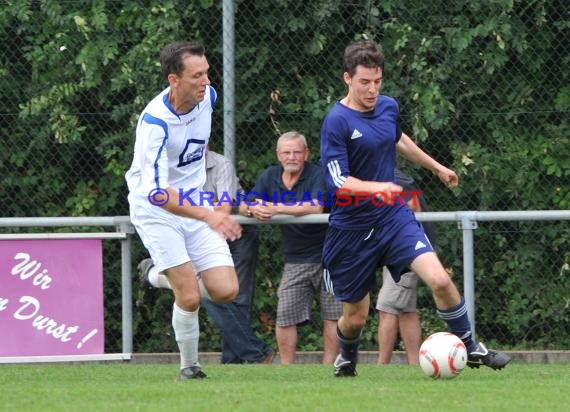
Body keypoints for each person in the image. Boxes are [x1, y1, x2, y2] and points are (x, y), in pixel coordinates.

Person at [319, 40, 511, 377]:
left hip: (393, 217)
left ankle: (470, 345)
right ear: (346, 78)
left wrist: (436, 166)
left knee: (438, 279)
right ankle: (347, 355)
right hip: (350, 228)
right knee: (355, 317)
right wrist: (376, 187)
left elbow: (397, 139)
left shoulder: (387, 107)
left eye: (377, 81)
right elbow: (337, 179)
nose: (372, 89)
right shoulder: (336, 121)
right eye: (364, 82)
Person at [125, 41, 242, 381]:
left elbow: (196, 142)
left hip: (194, 203)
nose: (205, 81)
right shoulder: (155, 124)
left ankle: (154, 274)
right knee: (189, 296)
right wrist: (210, 214)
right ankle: (189, 367)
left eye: (206, 73)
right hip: (156, 208)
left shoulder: (210, 98)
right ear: (174, 80)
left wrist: (203, 205)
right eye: (196, 76)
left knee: (225, 291)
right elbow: (159, 193)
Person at [138, 148, 275, 364]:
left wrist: (203, 215)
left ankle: (234, 360)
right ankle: (254, 353)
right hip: (196, 228)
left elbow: (223, 207)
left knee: (234, 295)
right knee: (203, 291)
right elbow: (166, 204)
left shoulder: (221, 164)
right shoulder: (170, 166)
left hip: (233, 231)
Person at [245, 131, 342, 364]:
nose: (292, 157)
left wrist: (274, 208)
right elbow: (248, 201)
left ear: (306, 154)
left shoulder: (318, 174)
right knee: (285, 315)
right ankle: (287, 368)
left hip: (329, 256)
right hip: (295, 259)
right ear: (279, 155)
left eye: (297, 152)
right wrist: (252, 209)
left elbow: (316, 207)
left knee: (333, 315)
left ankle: (330, 367)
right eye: (287, 152)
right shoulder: (269, 176)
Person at [376, 169, 437, 365]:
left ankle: (381, 365)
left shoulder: (397, 179)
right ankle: (415, 363)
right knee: (406, 311)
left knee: (387, 307)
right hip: (393, 252)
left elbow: (412, 208)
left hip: (409, 252)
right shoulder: (374, 177)